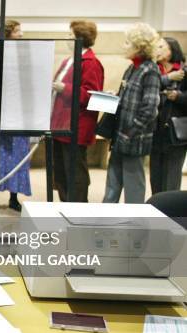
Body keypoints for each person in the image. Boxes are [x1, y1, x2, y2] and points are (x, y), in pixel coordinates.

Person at [102, 23, 161, 204]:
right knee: (112, 182)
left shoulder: (150, 70)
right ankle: (104, 219)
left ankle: (135, 225)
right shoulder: (132, 68)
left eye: (127, 42)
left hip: (133, 138)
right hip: (119, 135)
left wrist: (130, 132)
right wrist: (116, 97)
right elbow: (130, 97)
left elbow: (150, 109)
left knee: (134, 186)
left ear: (139, 46)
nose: (123, 46)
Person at [51, 20, 105, 202]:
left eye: (70, 35)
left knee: (75, 174)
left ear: (79, 39)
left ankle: (78, 209)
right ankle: (65, 205)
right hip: (60, 125)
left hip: (76, 127)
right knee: (60, 173)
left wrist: (64, 88)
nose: (67, 38)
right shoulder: (69, 60)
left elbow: (92, 96)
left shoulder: (91, 63)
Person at [0, 20, 30, 211]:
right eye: (17, 31)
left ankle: (13, 197)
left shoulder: (23, 55)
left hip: (18, 115)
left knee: (17, 156)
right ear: (8, 33)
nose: (21, 34)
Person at [151, 37, 187, 194]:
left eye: (162, 47)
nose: (157, 50)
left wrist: (178, 97)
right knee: (155, 175)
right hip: (154, 129)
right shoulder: (152, 70)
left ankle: (170, 215)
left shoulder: (184, 72)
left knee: (172, 177)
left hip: (175, 131)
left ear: (172, 50)